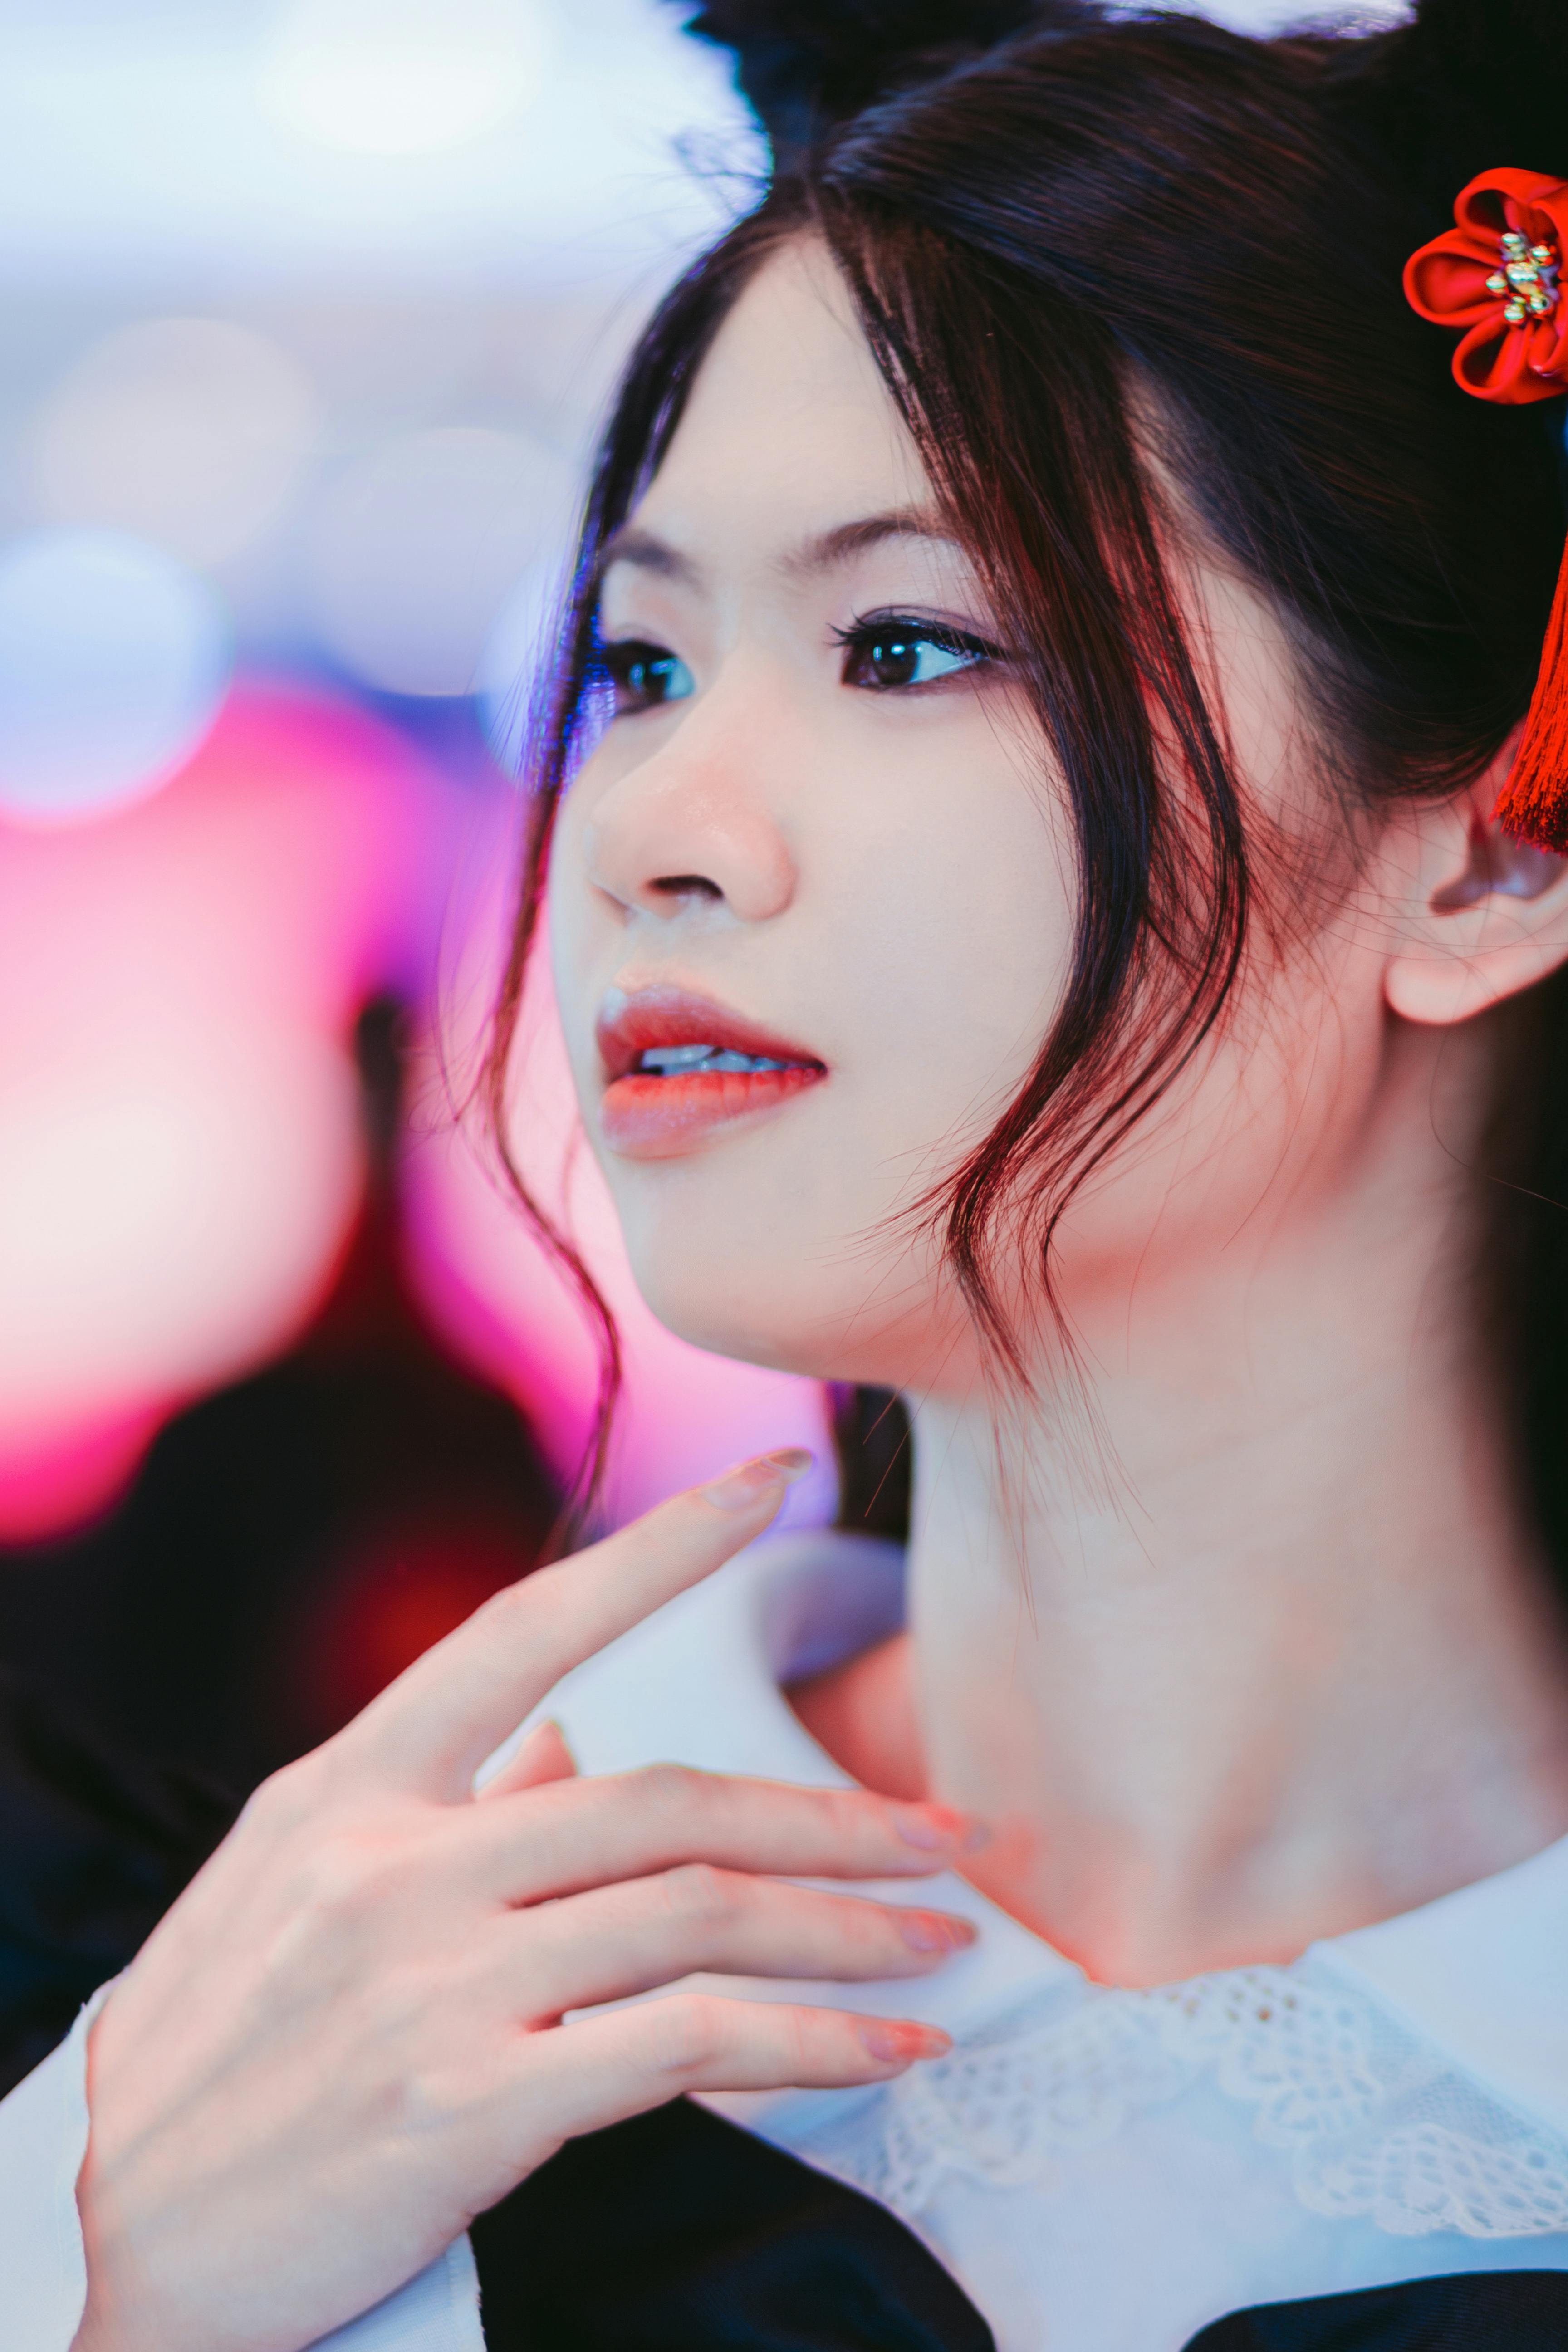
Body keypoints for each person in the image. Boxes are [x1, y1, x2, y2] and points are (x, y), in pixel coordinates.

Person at [6, 0, 1568, 2344]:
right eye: (639, 667)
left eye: (908, 645)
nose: (650, 829)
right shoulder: (285, 2020)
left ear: (1486, 865)